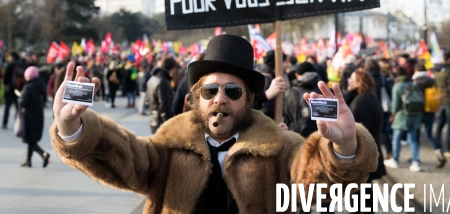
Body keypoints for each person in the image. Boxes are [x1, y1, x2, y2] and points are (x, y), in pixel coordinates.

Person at [50, 34, 378, 213]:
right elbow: (123, 157)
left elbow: (315, 181)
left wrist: (344, 145)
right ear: (197, 97)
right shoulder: (169, 144)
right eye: (210, 89)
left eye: (232, 90)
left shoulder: (281, 147)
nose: (220, 98)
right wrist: (71, 128)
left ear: (249, 99)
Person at [345, 69, 385, 212]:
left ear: (358, 83)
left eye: (351, 78)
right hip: (367, 156)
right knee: (365, 195)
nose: (348, 80)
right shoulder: (367, 96)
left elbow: (355, 130)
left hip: (362, 159)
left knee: (360, 199)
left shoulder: (361, 101)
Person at [384, 66, 422, 172]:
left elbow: (395, 105)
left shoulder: (397, 86)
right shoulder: (414, 85)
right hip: (415, 115)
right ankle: (416, 162)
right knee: (413, 139)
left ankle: (395, 159)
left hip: (401, 116)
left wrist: (392, 115)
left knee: (396, 139)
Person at [412, 63, 446, 168]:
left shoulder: (417, 82)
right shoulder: (433, 81)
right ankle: (439, 152)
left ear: (416, 71)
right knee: (429, 134)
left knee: (415, 135)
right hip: (431, 111)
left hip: (419, 112)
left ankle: (415, 157)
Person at [19, 66, 50, 168]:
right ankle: (28, 160)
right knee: (31, 139)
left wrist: (20, 97)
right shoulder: (41, 85)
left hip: (29, 116)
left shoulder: (28, 87)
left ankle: (43, 154)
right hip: (39, 115)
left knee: (30, 139)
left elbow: (23, 103)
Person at [283, 61, 321, 137]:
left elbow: (287, 116)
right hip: (320, 137)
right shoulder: (323, 90)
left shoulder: (290, 92)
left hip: (297, 137)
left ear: (297, 75)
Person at [145, 56, 175, 133]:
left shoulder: (151, 79)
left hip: (153, 121)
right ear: (171, 68)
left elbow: (147, 101)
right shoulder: (163, 81)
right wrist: (169, 124)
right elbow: (164, 106)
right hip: (161, 123)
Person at [2, 52, 20, 129]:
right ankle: (18, 123)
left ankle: (4, 123)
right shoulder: (20, 65)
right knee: (18, 107)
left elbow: (5, 78)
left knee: (7, 107)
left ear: (13, 57)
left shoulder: (10, 65)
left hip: (10, 89)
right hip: (18, 89)